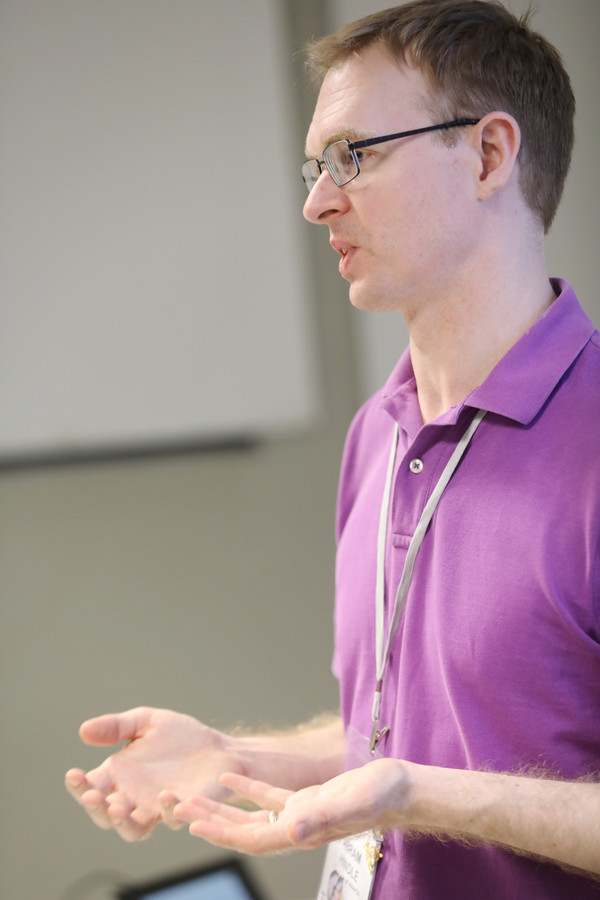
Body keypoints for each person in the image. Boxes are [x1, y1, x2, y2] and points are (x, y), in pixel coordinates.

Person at [66, 1, 600, 896]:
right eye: (317, 166)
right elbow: (395, 736)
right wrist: (242, 757)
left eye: (354, 155)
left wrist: (417, 796)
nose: (317, 202)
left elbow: (411, 778)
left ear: (487, 155)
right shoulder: (377, 433)